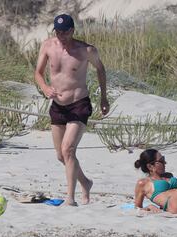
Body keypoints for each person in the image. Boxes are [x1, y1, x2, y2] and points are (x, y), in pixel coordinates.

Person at [35, 13, 109, 206]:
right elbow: (38, 73)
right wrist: (44, 88)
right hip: (58, 105)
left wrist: (103, 97)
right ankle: (85, 182)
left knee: (68, 149)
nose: (61, 36)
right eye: (58, 32)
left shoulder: (86, 50)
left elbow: (101, 69)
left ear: (72, 30)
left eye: (65, 32)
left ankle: (70, 198)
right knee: (61, 155)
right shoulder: (48, 46)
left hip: (79, 104)